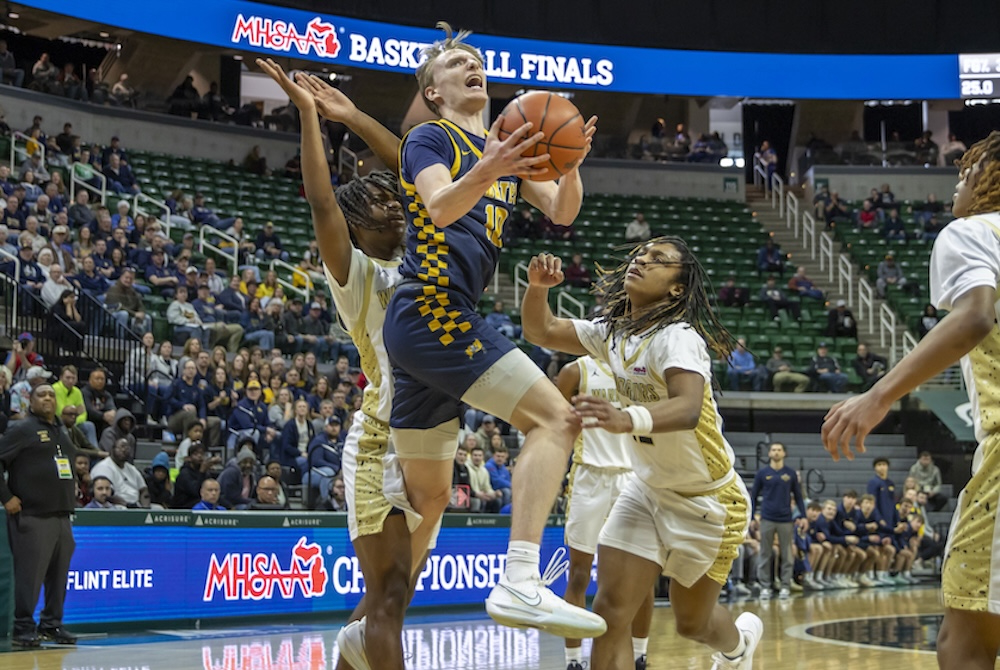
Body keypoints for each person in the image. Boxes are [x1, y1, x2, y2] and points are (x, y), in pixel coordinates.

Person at [378, 24, 604, 640]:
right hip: (431, 307)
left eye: (476, 61)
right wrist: (490, 164)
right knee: (557, 419)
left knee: (430, 502)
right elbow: (440, 207)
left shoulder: (506, 149)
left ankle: (373, 626)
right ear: (433, 88)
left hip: (429, 327)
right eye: (456, 63)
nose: (472, 67)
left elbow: (561, 210)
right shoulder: (429, 137)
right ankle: (522, 579)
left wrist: (573, 164)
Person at [519, 238, 761, 669]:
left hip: (707, 500)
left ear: (676, 289)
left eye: (658, 261)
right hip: (645, 491)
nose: (641, 261)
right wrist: (538, 288)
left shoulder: (678, 339)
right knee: (610, 614)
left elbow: (687, 409)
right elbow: (541, 330)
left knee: (692, 623)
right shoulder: (611, 333)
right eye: (640, 255)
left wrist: (626, 418)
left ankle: (738, 648)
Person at [257, 56, 426, 670]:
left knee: (395, 593)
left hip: (424, 441)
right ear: (356, 225)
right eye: (378, 202)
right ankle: (359, 646)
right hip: (381, 438)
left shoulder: (422, 266)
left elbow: (421, 179)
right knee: (386, 596)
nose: (394, 206)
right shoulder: (356, 273)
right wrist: (311, 116)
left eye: (393, 198)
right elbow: (323, 202)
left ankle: (353, 648)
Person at [555, 356, 653, 670]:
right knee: (579, 574)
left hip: (631, 476)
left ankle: (640, 655)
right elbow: (554, 424)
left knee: (642, 576)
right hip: (588, 477)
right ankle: (573, 661)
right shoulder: (576, 370)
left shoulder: (640, 368)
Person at [0, 384, 79, 647]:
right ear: (30, 402)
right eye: (41, 395)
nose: (47, 398)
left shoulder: (62, 430)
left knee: (59, 578)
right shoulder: (22, 429)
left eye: (50, 395)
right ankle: (23, 628)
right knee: (30, 576)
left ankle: (52, 625)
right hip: (33, 516)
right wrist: (7, 497)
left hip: (62, 516)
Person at [751, 443, 807, 600]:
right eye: (773, 450)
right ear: (769, 453)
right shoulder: (762, 473)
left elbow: (798, 496)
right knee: (765, 553)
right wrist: (751, 517)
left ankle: (785, 586)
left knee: (787, 554)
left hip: (785, 519)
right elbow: (753, 496)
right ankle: (765, 587)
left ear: (784, 453)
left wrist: (803, 516)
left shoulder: (790, 474)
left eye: (779, 450)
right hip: (767, 518)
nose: (776, 452)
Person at [90, 438, 147, 507]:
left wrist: (146, 508)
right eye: (121, 447)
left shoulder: (132, 469)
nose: (124, 450)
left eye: (127, 448)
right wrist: (128, 505)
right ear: (112, 449)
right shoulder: (103, 467)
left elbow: (144, 490)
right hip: (116, 506)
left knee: (158, 508)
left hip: (136, 505)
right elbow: (107, 496)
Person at [172, 442, 220, 509]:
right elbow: (196, 492)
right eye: (195, 454)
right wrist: (202, 471)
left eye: (201, 454)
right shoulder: (184, 473)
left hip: (199, 503)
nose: (199, 456)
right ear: (189, 458)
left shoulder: (204, 471)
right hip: (184, 508)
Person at [216, 445, 259, 510]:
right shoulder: (232, 472)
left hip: (241, 503)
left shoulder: (251, 475)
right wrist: (253, 502)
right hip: (227, 505)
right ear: (239, 462)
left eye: (251, 462)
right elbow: (231, 497)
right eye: (245, 462)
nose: (248, 465)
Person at [81, 368, 116, 438]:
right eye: (97, 379)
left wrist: (112, 413)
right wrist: (103, 416)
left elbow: (112, 408)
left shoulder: (106, 394)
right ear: (90, 380)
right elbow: (89, 410)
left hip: (103, 422)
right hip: (89, 420)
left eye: (102, 379)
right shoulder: (84, 392)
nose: (100, 381)